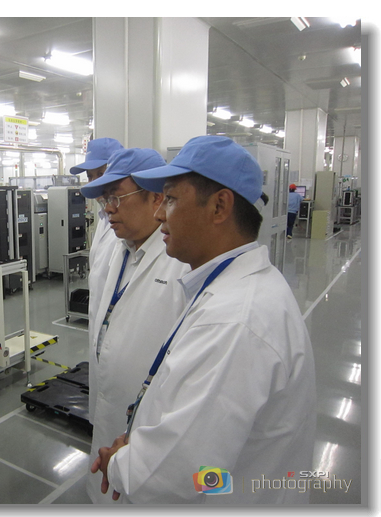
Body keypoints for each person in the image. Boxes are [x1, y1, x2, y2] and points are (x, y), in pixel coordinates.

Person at [92, 135, 316, 504]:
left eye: (171, 199)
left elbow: (180, 475)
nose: (160, 214)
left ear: (219, 206)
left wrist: (121, 463)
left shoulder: (236, 321)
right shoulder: (230, 288)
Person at [80, 148, 189, 504]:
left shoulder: (181, 263)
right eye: (105, 200)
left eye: (116, 197)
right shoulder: (119, 247)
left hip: (149, 424)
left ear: (156, 198)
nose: (108, 209)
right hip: (109, 408)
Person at [70, 137, 124, 349]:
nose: (94, 182)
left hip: (117, 332)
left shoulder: (127, 225)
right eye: (90, 176)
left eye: (101, 174)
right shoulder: (103, 219)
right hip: (98, 326)